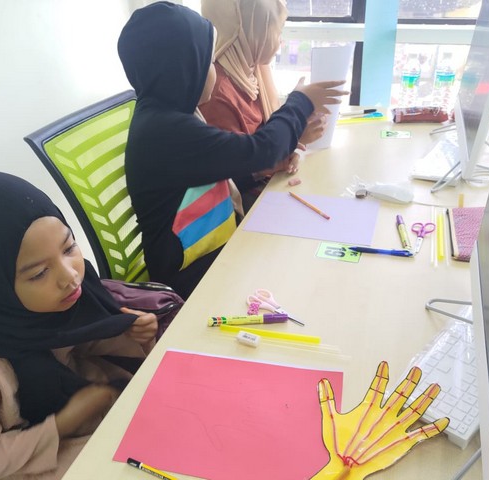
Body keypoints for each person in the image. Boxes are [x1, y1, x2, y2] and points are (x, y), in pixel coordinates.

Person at [0, 171, 160, 479]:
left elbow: (97, 351)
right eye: (38, 273)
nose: (70, 276)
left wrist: (137, 334)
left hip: (108, 433)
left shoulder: (55, 305)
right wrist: (62, 423)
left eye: (69, 248)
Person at [117, 1, 347, 300]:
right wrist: (299, 102)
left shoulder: (170, 115)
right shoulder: (168, 131)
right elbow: (263, 148)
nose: (215, 70)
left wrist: (257, 171)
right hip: (191, 276)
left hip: (210, 250)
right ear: (185, 68)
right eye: (209, 62)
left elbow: (205, 179)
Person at [199, 0, 332, 212]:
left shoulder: (253, 70)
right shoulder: (217, 93)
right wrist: (294, 135)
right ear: (252, 31)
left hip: (267, 190)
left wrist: (291, 142)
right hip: (240, 209)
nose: (280, 40)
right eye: (275, 30)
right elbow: (231, 178)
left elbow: (267, 135)